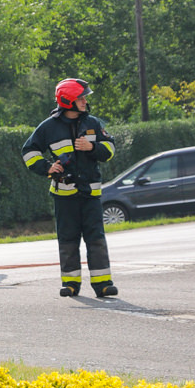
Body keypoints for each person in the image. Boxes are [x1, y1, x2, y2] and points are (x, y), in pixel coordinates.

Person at [21, 78, 119, 298]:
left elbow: (110, 149)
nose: (85, 101)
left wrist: (92, 147)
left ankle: (103, 283)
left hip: (91, 194)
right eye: (81, 97)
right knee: (68, 239)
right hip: (64, 195)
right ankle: (71, 284)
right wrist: (47, 167)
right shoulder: (48, 127)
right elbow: (28, 152)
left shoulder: (93, 123)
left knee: (96, 238)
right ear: (67, 101)